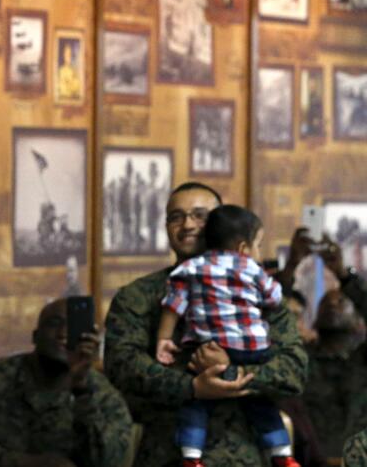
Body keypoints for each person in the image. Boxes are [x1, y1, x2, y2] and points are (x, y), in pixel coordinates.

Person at [105, 182, 308, 467]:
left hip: (244, 454)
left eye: (200, 215)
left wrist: (231, 373)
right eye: (176, 217)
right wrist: (193, 387)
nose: (187, 224)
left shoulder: (255, 288)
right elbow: (122, 366)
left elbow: (294, 371)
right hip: (168, 455)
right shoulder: (138, 296)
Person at [155, 205, 297, 467]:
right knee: (262, 403)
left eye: (198, 216)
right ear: (244, 247)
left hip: (206, 348)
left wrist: (164, 340)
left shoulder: (192, 268)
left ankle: (191, 457)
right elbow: (274, 297)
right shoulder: (252, 269)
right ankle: (283, 454)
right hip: (254, 348)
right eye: (258, 245)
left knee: (196, 405)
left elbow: (173, 305)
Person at [0, 298, 133, 467]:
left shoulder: (102, 394)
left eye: (73, 327)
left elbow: (109, 460)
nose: (63, 333)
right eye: (54, 323)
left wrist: (81, 388)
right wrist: (23, 463)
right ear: (35, 336)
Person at [301, 243, 367, 459]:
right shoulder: (302, 360)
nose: (333, 303)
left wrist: (345, 278)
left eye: (341, 301)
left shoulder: (362, 359)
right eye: (325, 302)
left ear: (359, 320)